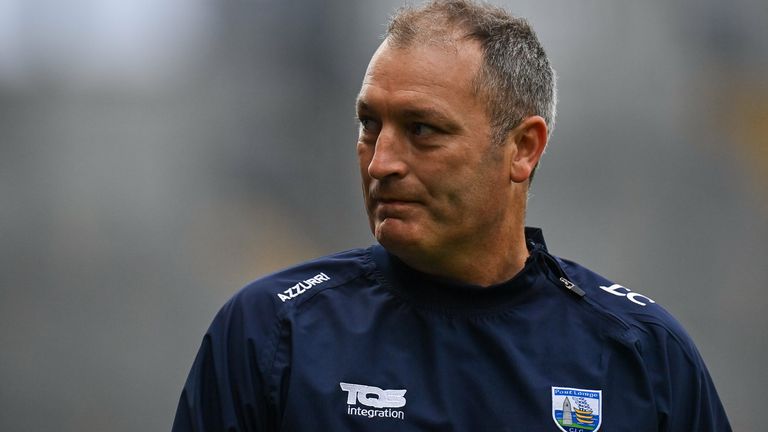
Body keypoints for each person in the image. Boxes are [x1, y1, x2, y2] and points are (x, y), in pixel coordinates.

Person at [172, 1, 731, 430]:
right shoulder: (271, 334)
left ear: (523, 149)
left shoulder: (643, 356)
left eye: (422, 130)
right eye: (370, 124)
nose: (382, 162)